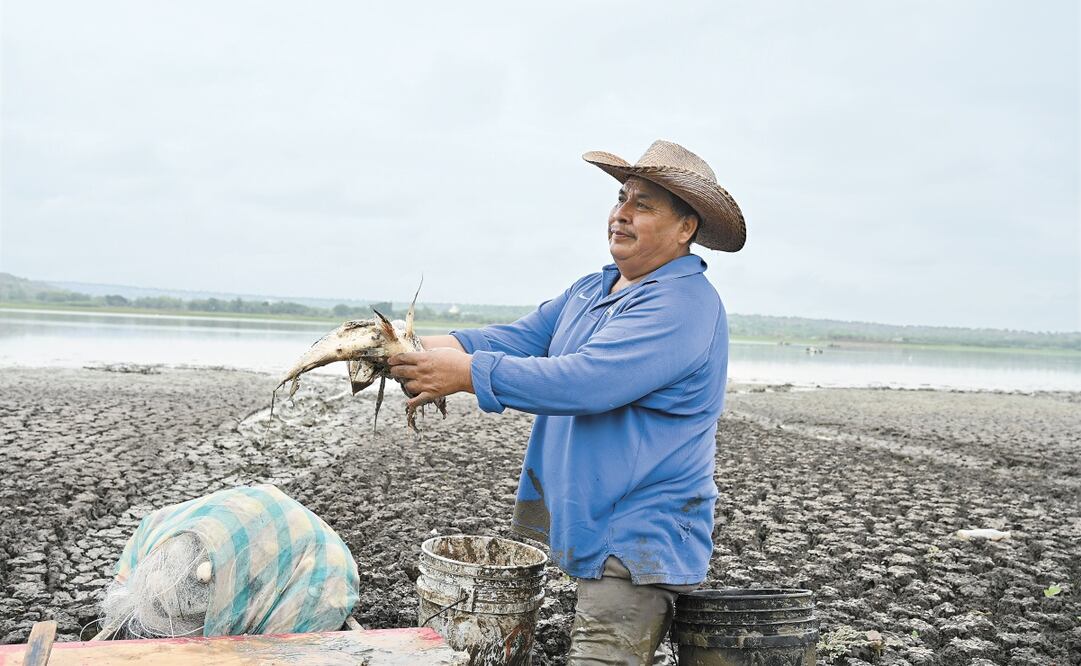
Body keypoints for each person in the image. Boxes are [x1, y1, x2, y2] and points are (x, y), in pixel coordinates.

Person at [389, 139, 745, 664]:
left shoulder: (682, 304)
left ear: (685, 227)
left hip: (639, 535)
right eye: (621, 199)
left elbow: (586, 381)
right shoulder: (592, 290)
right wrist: (398, 347)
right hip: (596, 524)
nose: (621, 214)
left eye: (643, 205)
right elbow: (514, 339)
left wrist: (464, 375)